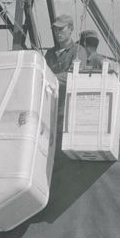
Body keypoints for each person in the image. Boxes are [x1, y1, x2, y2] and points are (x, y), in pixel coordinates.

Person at [44, 14, 88, 151]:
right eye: (56, 30)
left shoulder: (78, 51)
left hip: (67, 112)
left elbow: (74, 76)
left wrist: (49, 79)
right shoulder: (50, 53)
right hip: (49, 111)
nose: (58, 33)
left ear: (70, 29)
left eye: (61, 29)